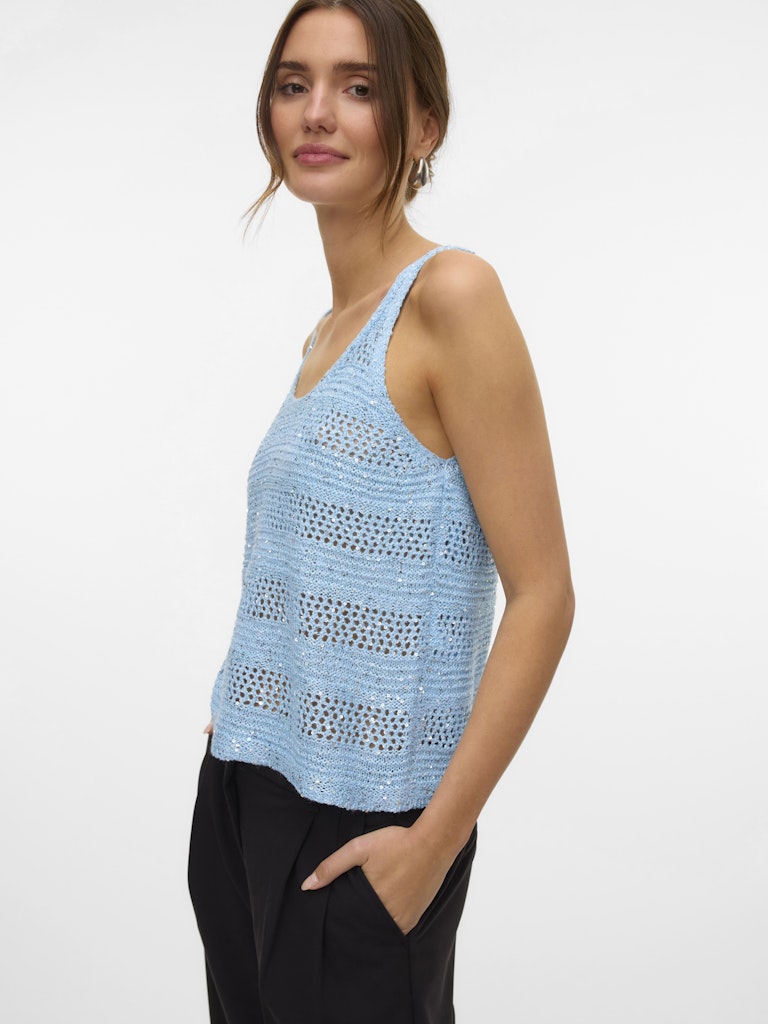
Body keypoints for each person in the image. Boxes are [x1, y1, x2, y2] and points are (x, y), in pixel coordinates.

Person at [188, 1, 574, 1021]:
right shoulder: (327, 333)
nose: (317, 112)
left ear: (424, 124)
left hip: (365, 831)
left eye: (357, 88)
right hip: (242, 795)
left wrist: (433, 845)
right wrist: (247, 719)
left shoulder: (452, 295)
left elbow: (544, 595)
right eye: (294, 84)